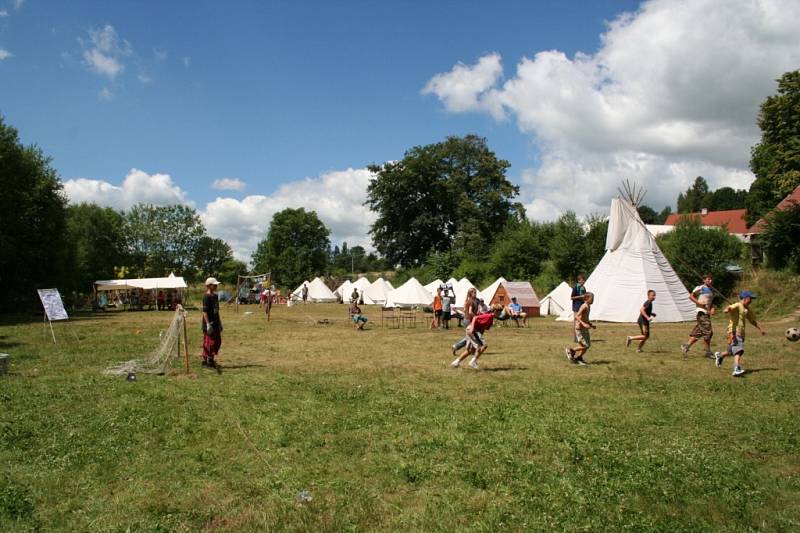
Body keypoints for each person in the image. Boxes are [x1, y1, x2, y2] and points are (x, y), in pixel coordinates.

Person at [714, 291, 766, 377]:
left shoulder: (747, 309)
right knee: (739, 349)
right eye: (750, 299)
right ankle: (736, 368)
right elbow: (729, 308)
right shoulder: (737, 305)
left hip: (741, 332)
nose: (751, 301)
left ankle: (720, 355)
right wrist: (728, 309)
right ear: (745, 298)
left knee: (732, 350)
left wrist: (760, 329)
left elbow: (752, 320)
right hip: (733, 331)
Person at [451, 304, 503, 369]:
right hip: (473, 330)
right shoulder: (489, 316)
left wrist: (479, 338)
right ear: (495, 311)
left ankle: (456, 362)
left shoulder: (491, 319)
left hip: (473, 331)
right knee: (484, 345)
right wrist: (472, 328)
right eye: (499, 312)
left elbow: (482, 329)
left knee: (470, 350)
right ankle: (473, 362)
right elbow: (475, 318)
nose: (500, 314)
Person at [682, 274, 715, 357]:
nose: (710, 281)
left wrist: (712, 308)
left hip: (706, 313)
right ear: (704, 280)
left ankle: (686, 346)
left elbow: (710, 302)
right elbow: (691, 296)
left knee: (699, 332)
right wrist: (699, 303)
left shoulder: (711, 290)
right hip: (701, 312)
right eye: (708, 279)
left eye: (711, 279)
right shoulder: (700, 287)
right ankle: (708, 352)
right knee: (708, 332)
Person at [565, 292, 596, 365]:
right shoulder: (584, 306)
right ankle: (570, 350)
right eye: (592, 299)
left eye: (593, 299)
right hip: (579, 329)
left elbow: (585, 317)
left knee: (587, 345)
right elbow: (576, 316)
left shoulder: (588, 306)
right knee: (585, 345)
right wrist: (583, 324)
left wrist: (591, 325)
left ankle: (579, 358)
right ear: (586, 298)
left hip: (585, 329)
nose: (593, 300)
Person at [201, 277, 223, 368]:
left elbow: (217, 311)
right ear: (209, 286)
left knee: (218, 341)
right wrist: (208, 324)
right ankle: (208, 360)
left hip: (216, 322)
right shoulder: (206, 297)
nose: (216, 286)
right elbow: (204, 311)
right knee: (210, 342)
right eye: (214, 285)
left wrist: (220, 323)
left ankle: (210, 358)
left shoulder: (215, 296)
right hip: (209, 323)